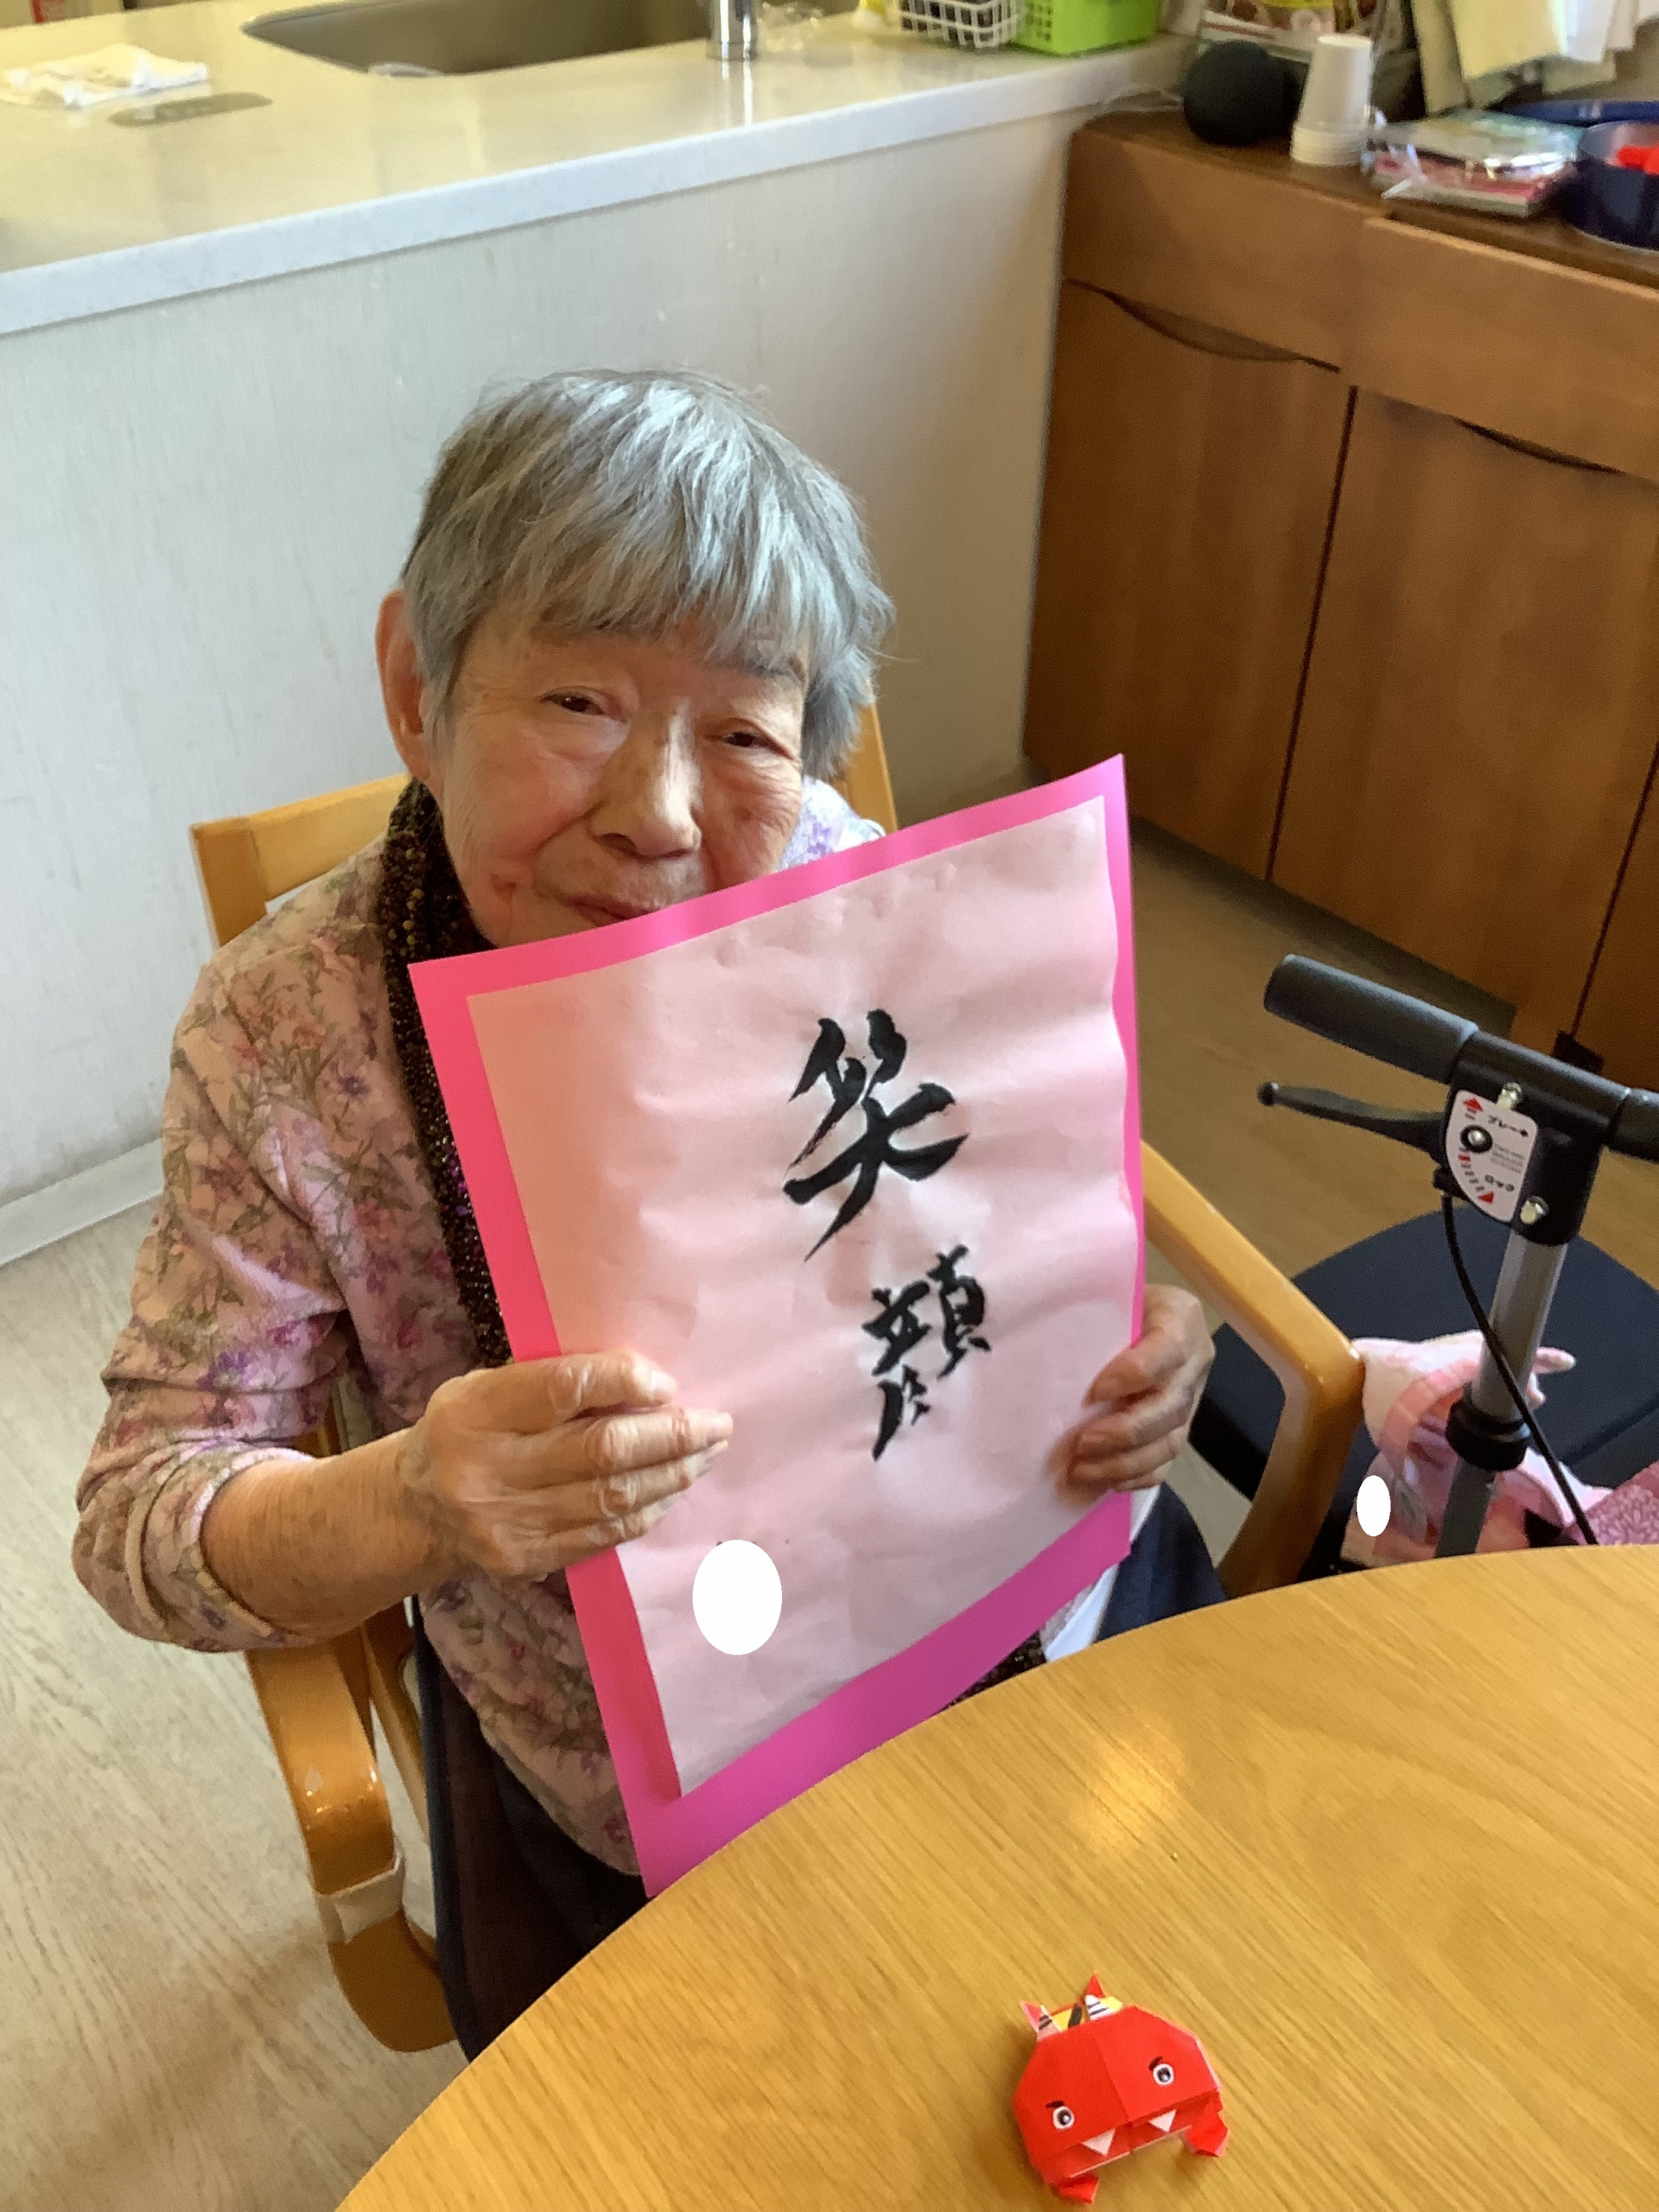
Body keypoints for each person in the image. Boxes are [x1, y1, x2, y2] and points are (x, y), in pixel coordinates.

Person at [75, 372, 1218, 2044]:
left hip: (1003, 1641)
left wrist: (1122, 1332)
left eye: (745, 733)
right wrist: (417, 1499)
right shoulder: (286, 1036)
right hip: (636, 1772)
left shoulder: (850, 892)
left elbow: (1003, 1216)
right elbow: (141, 1517)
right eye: (580, 701)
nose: (661, 817)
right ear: (416, 688)